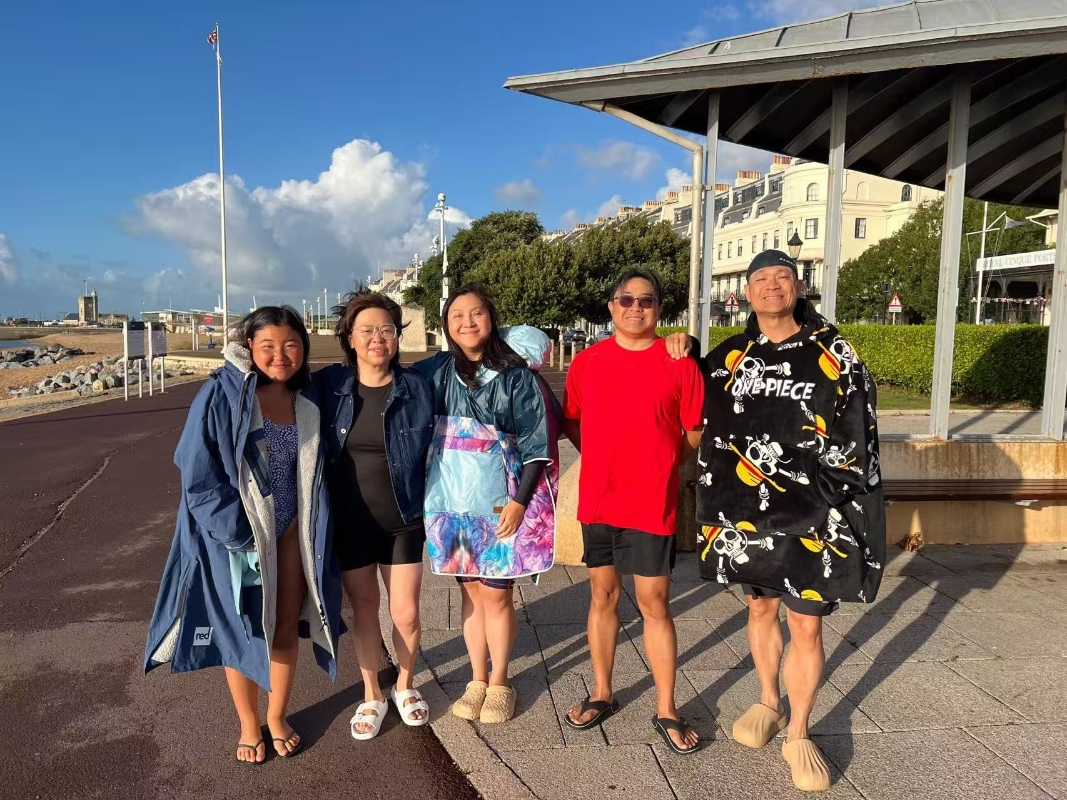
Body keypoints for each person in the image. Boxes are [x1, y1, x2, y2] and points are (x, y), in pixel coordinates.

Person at [692, 250, 884, 791]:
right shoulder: (730, 356)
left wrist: (823, 495)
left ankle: (799, 730)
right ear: (747, 292)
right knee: (760, 609)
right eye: (761, 279)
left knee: (805, 623)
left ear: (798, 287)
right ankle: (768, 702)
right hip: (749, 516)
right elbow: (692, 409)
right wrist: (681, 348)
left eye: (782, 277)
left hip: (813, 516)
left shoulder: (834, 352)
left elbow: (858, 432)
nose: (772, 286)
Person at [145, 306, 342, 765]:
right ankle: (249, 724)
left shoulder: (307, 396)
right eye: (268, 345)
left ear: (303, 348)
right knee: (245, 630)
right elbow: (197, 473)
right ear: (249, 346)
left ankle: (277, 715)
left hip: (291, 532)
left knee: (285, 625)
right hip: (242, 538)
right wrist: (237, 532)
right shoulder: (223, 394)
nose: (280, 355)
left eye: (291, 344)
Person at [562, 268, 704, 755]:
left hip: (651, 502)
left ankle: (666, 707)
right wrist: (605, 458)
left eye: (646, 300)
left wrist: (658, 462)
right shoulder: (587, 362)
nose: (636, 307)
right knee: (602, 596)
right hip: (599, 500)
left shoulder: (679, 362)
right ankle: (602, 691)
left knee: (654, 603)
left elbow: (693, 433)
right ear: (612, 307)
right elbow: (574, 423)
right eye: (626, 299)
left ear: (660, 308)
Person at [414, 283, 560, 725]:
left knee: (497, 595)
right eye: (457, 316)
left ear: (492, 319)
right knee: (471, 593)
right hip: (452, 502)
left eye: (477, 313)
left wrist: (520, 502)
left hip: (500, 501)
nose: (468, 323)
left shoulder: (516, 377)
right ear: (446, 325)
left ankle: (499, 681)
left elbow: (537, 444)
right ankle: (476, 677)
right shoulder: (436, 372)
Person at [314, 290, 436, 740]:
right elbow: (274, 377)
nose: (377, 338)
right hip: (350, 523)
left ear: (397, 337)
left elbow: (471, 365)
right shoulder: (329, 385)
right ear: (349, 337)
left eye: (387, 329)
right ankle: (372, 694)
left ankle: (404, 685)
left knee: (405, 613)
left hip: (403, 519)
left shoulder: (419, 386)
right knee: (364, 610)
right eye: (366, 330)